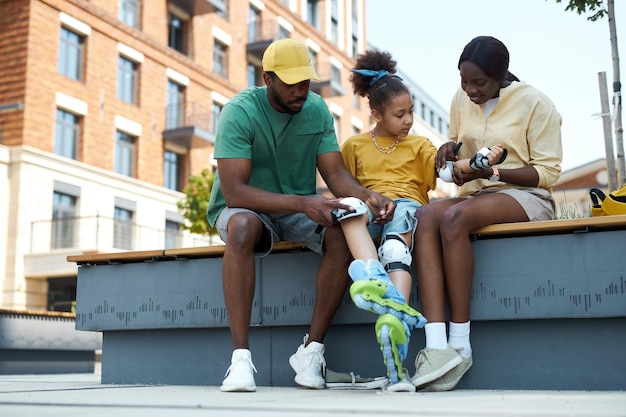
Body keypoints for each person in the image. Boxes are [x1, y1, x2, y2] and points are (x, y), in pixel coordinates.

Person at [206, 38, 396, 393]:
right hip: (246, 207)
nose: (300, 90)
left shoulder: (316, 109)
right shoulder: (239, 111)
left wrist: (369, 196)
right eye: (291, 82)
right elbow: (235, 191)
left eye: (305, 81)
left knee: (342, 230)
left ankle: (311, 353)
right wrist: (303, 203)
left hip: (295, 209)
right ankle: (241, 361)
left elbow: (336, 176)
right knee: (243, 226)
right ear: (267, 79)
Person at [334, 49, 507, 392]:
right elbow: (345, 185)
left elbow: (445, 171)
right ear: (376, 115)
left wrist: (473, 161)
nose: (409, 119)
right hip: (371, 207)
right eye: (400, 114)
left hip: (407, 209)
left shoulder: (419, 145)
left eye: (411, 111)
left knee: (397, 244)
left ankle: (393, 315)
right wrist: (364, 199)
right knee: (348, 209)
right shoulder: (354, 145)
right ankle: (376, 284)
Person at [410, 35, 563, 392]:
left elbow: (547, 173)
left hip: (526, 196)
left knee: (453, 218)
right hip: (476, 195)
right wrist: (447, 150)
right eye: (463, 82)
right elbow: (457, 146)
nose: (469, 90)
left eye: (478, 83)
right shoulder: (460, 100)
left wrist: (491, 173)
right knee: (423, 217)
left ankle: (460, 343)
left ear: (500, 75)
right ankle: (435, 345)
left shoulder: (536, 103)